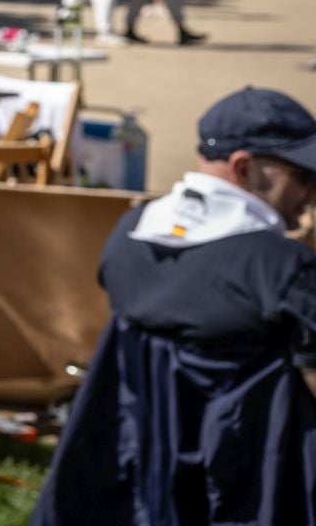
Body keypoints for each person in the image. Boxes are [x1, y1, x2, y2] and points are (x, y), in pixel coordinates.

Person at [30, 86, 316, 525]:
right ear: (244, 167)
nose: (311, 194)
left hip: (142, 471)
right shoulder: (281, 268)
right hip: (252, 483)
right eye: (304, 177)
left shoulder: (129, 234)